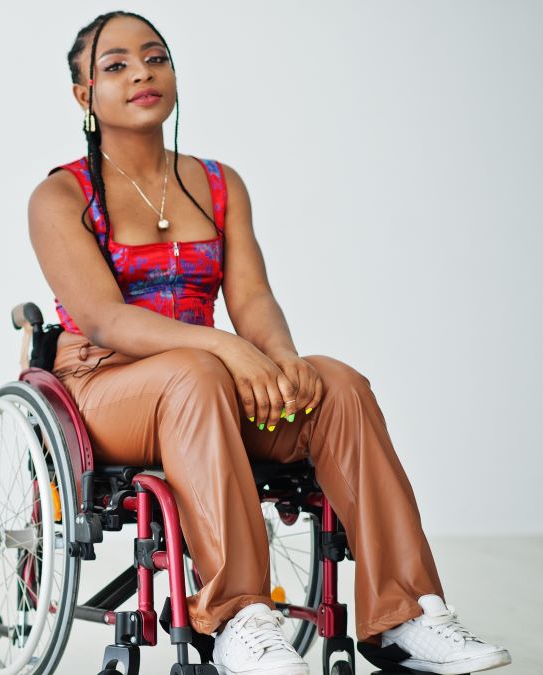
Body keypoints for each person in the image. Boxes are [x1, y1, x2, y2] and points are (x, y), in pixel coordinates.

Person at [26, 11, 512, 675]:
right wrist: (228, 351)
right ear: (85, 96)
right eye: (115, 66)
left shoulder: (220, 184)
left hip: (202, 385)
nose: (141, 72)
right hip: (106, 390)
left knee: (336, 382)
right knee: (194, 370)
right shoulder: (60, 196)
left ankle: (403, 615)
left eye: (155, 57)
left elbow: (251, 299)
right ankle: (237, 619)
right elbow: (107, 318)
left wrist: (281, 358)